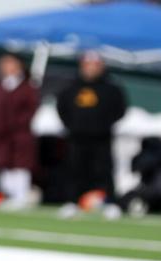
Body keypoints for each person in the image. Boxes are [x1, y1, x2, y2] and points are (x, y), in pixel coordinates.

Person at [55, 50, 129, 219]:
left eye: (94, 65)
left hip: (101, 137)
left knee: (105, 170)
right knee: (75, 170)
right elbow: (62, 108)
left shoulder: (111, 88)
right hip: (77, 137)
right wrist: (72, 125)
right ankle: (72, 202)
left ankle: (111, 203)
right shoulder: (70, 88)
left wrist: (103, 125)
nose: (90, 69)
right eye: (87, 65)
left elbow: (120, 110)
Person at [0, 52, 40, 209]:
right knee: (4, 164)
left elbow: (30, 110)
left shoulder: (28, 87)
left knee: (20, 164)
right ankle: (8, 193)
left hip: (19, 133)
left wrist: (14, 124)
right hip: (0, 134)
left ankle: (21, 195)